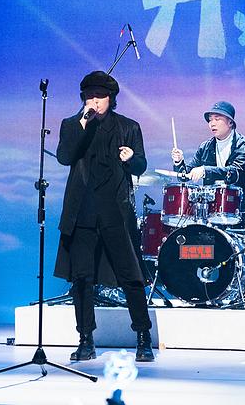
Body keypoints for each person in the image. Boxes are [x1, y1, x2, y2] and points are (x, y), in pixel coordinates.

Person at [54, 71, 154, 363]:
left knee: (131, 276)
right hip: (82, 212)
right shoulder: (72, 124)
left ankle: (143, 337)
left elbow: (141, 165)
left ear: (111, 99)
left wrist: (131, 158)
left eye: (100, 97)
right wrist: (81, 124)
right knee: (82, 278)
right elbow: (64, 157)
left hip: (115, 211)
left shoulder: (128, 127)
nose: (94, 102)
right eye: (89, 97)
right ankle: (85, 339)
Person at [170, 101, 245, 210]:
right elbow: (184, 176)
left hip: (240, 207)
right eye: (210, 120)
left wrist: (205, 171)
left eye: (217, 119)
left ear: (230, 122)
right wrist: (179, 162)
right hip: (211, 207)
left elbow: (234, 172)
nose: (212, 123)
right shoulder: (205, 147)